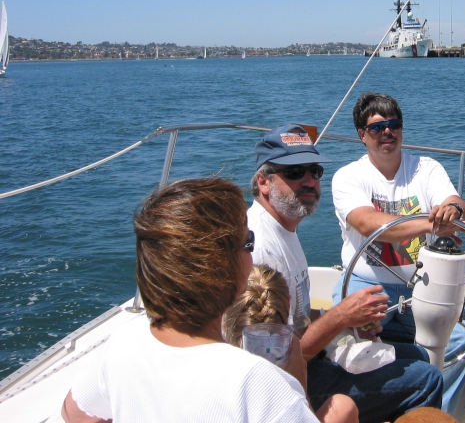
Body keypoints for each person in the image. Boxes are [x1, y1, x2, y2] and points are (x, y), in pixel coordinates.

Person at [61, 178, 319, 423]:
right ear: (223, 267)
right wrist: (297, 383)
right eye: (248, 243)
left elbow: (74, 413)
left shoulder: (124, 341)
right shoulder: (257, 381)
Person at [248, 124, 444, 422]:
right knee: (426, 378)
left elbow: (295, 317)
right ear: (264, 182)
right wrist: (340, 317)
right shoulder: (262, 249)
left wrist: (347, 323)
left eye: (314, 171)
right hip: (285, 385)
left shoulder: (283, 229)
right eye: (295, 172)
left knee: (418, 356)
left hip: (303, 359)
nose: (309, 181)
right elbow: (275, 362)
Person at [331, 92, 465, 415]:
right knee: (345, 347)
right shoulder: (348, 177)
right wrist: (433, 224)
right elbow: (370, 224)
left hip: (422, 285)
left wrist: (454, 211)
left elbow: (455, 201)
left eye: (394, 124)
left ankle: (431, 413)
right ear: (362, 135)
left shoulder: (425, 169)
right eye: (377, 127)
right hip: (365, 284)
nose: (387, 132)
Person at [224, 265, 358, 423]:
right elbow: (303, 418)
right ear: (288, 306)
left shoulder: (214, 365)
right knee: (343, 407)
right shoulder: (287, 374)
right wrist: (299, 387)